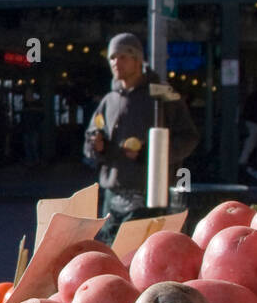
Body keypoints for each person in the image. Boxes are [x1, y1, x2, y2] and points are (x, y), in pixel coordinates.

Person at [84, 33, 199, 242]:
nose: (116, 62)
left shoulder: (163, 95)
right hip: (112, 199)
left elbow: (189, 137)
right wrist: (96, 146)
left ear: (137, 59)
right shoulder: (108, 100)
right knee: (111, 260)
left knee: (139, 262)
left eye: (122, 57)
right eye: (112, 57)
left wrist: (152, 153)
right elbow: (89, 141)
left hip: (149, 198)